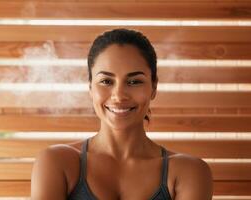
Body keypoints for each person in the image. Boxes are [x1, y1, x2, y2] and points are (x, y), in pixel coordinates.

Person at [31, 28, 213, 200]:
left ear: (154, 87)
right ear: (90, 88)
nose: (119, 95)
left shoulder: (188, 172)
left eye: (134, 81)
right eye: (106, 81)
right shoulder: (58, 163)